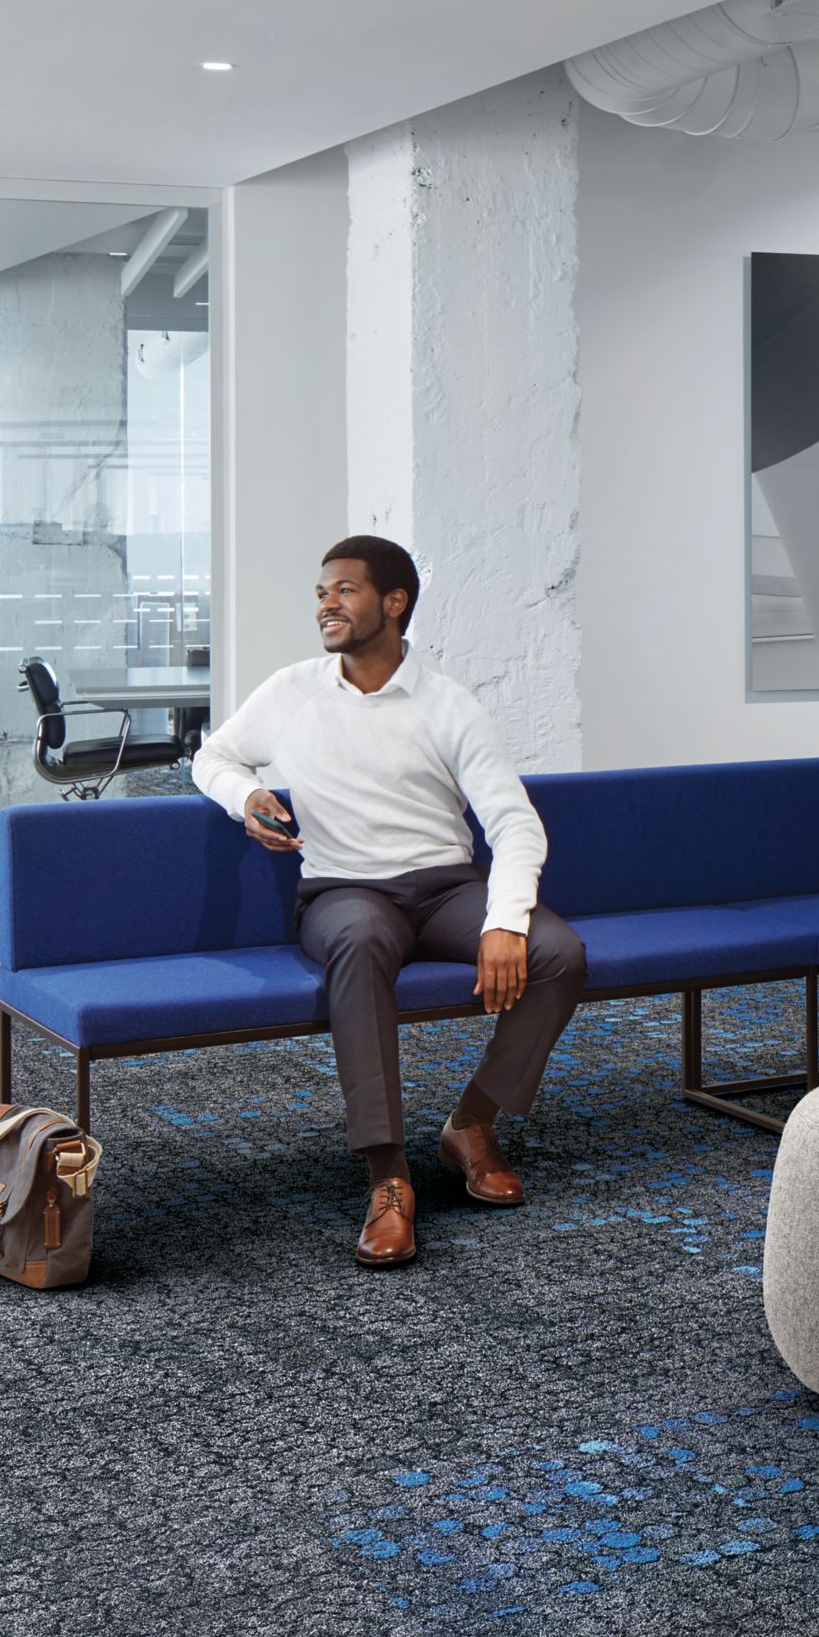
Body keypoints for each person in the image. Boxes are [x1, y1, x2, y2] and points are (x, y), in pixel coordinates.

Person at [190, 536, 586, 1269]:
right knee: (362, 942)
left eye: (342, 590)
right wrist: (244, 795)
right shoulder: (291, 690)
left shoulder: (446, 703)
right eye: (320, 593)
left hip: (445, 889)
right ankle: (387, 1177)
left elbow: (512, 822)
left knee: (556, 951)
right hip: (344, 892)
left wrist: (504, 923)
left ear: (393, 603)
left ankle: (471, 1123)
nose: (325, 605)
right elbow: (212, 755)